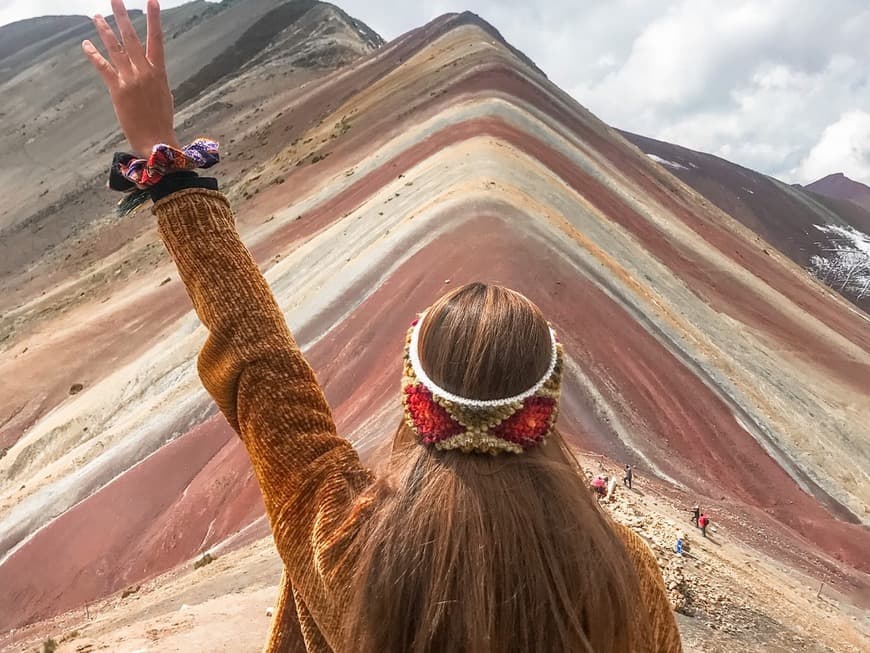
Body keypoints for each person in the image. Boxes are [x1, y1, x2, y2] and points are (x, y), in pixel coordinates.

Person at [82, 3, 683, 651]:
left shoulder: (346, 544)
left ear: (415, 401)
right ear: (545, 405)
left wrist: (163, 161)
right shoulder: (624, 583)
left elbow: (260, 361)